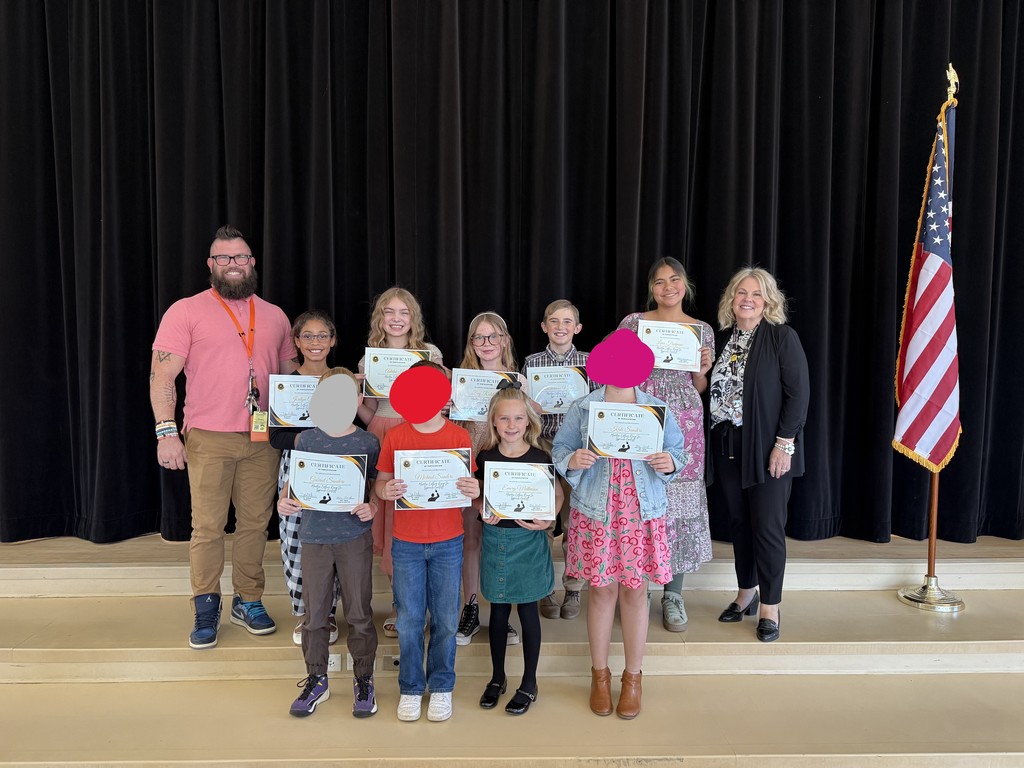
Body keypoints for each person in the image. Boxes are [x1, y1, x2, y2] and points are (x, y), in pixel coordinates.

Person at [150, 225, 296, 649]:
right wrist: (166, 434)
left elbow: (291, 380)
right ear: (210, 265)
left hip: (262, 439)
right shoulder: (186, 311)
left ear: (252, 263)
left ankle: (248, 599)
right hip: (208, 437)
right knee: (208, 527)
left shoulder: (275, 316)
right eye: (224, 258)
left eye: (241, 257)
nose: (234, 264)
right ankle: (205, 604)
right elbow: (162, 375)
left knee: (254, 525)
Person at [552, 330, 686, 720]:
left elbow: (678, 452)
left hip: (640, 514)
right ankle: (599, 676)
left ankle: (632, 678)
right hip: (597, 512)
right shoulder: (583, 407)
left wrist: (669, 463)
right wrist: (572, 460)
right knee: (601, 592)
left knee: (635, 593)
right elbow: (560, 449)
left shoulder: (657, 408)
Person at [707, 267, 809, 643]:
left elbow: (799, 396)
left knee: (766, 527)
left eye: (756, 294)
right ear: (731, 300)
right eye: (740, 293)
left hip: (768, 448)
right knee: (739, 525)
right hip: (727, 445)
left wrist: (784, 445)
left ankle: (770, 606)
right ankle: (745, 593)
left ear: (768, 301)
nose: (747, 299)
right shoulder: (721, 341)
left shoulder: (782, 338)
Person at [374, 361, 480, 723]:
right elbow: (381, 484)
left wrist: (473, 488)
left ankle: (442, 687)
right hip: (406, 543)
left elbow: (470, 486)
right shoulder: (396, 437)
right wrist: (384, 489)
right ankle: (410, 687)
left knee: (447, 620)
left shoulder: (459, 438)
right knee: (409, 620)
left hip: (449, 542)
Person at [276, 367, 380, 718]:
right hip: (315, 538)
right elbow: (293, 486)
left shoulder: (368, 443)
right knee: (315, 615)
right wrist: (284, 501)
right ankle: (316, 678)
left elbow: (377, 490)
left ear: (358, 399)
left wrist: (373, 507)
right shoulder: (306, 440)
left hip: (353, 539)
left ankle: (363, 680)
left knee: (359, 614)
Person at [619, 257, 714, 632]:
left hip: (684, 420)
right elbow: (616, 372)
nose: (668, 287)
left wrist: (701, 372)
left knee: (677, 501)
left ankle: (673, 593)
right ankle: (636, 587)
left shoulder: (701, 330)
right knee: (638, 497)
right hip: (640, 413)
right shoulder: (633, 323)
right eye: (659, 282)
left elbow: (699, 388)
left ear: (685, 285)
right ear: (651, 289)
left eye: (674, 280)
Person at [357, 287, 444, 639]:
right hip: (382, 436)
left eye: (403, 312)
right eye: (389, 312)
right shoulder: (369, 358)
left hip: (420, 436)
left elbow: (440, 404)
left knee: (416, 516)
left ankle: (421, 604)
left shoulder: (430, 354)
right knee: (391, 521)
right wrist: (353, 395)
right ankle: (400, 604)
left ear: (413, 318)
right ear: (381, 317)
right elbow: (368, 413)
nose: (396, 318)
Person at [474, 387, 560, 715]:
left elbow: (556, 497)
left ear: (529, 422)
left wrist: (548, 515)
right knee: (497, 612)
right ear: (494, 423)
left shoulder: (542, 458)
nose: (512, 424)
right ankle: (497, 677)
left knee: (527, 612)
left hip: (529, 543)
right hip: (496, 541)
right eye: (504, 418)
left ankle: (529, 681)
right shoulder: (485, 458)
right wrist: (482, 506)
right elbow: (478, 498)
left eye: (518, 418)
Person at [452, 311, 531, 647]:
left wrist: (529, 400)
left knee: (502, 543)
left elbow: (532, 421)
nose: (487, 344)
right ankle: (470, 609)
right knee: (470, 540)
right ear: (472, 343)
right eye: (479, 338)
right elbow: (451, 430)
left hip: (506, 469)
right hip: (470, 469)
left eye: (493, 336)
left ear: (505, 340)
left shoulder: (519, 379)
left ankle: (502, 612)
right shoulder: (461, 379)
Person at [270, 309, 342, 646]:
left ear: (333, 341)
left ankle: (327, 613)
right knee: (296, 540)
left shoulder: (342, 381)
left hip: (340, 470)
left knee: (335, 540)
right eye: (308, 336)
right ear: (297, 341)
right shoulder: (285, 384)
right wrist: (313, 437)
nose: (315, 342)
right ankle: (306, 612)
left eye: (322, 336)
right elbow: (275, 437)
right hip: (296, 470)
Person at [521, 299, 593, 621]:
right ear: (544, 326)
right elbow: (519, 407)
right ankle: (544, 587)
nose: (560, 327)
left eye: (567, 321)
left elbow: (600, 405)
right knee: (543, 521)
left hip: (579, 449)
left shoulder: (589, 362)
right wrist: (529, 406)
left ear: (577, 328)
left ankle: (573, 587)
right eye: (554, 321)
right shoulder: (531, 363)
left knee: (576, 521)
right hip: (542, 445)